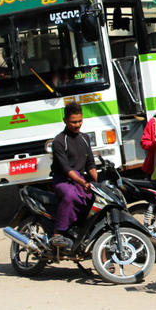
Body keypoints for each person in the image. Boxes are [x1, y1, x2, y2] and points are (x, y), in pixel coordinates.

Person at [50, 102, 98, 248]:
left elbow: (90, 165)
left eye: (80, 121)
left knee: (95, 198)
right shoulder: (59, 141)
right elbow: (66, 169)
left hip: (80, 179)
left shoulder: (85, 138)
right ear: (65, 121)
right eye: (74, 122)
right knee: (71, 196)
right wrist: (83, 183)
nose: (78, 125)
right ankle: (58, 233)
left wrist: (98, 184)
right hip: (63, 180)